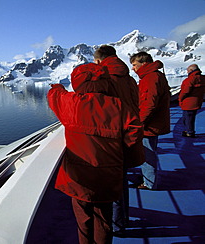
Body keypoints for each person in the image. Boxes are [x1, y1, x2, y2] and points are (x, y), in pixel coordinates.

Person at [47, 63, 144, 244]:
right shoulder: (118, 105)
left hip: (79, 177)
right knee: (104, 220)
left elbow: (54, 97)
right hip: (108, 174)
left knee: (83, 220)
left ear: (78, 82)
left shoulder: (72, 102)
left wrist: (57, 87)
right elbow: (135, 132)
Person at [94, 45, 142, 235]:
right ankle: (122, 219)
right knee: (120, 179)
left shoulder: (105, 79)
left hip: (111, 137)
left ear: (99, 61)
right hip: (127, 134)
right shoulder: (128, 78)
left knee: (111, 182)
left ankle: (116, 225)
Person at [130, 51, 171, 190]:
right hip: (154, 122)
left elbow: (149, 104)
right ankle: (148, 179)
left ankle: (149, 183)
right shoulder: (156, 76)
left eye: (135, 65)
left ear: (144, 64)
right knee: (148, 152)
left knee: (147, 153)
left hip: (149, 125)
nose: (133, 68)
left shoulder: (150, 78)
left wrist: (139, 123)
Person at [178, 64, 205, 138]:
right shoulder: (203, 78)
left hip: (188, 102)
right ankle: (189, 130)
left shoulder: (189, 80)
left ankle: (189, 132)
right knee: (190, 117)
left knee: (187, 118)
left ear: (191, 70)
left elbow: (185, 91)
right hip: (197, 101)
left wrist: (180, 99)